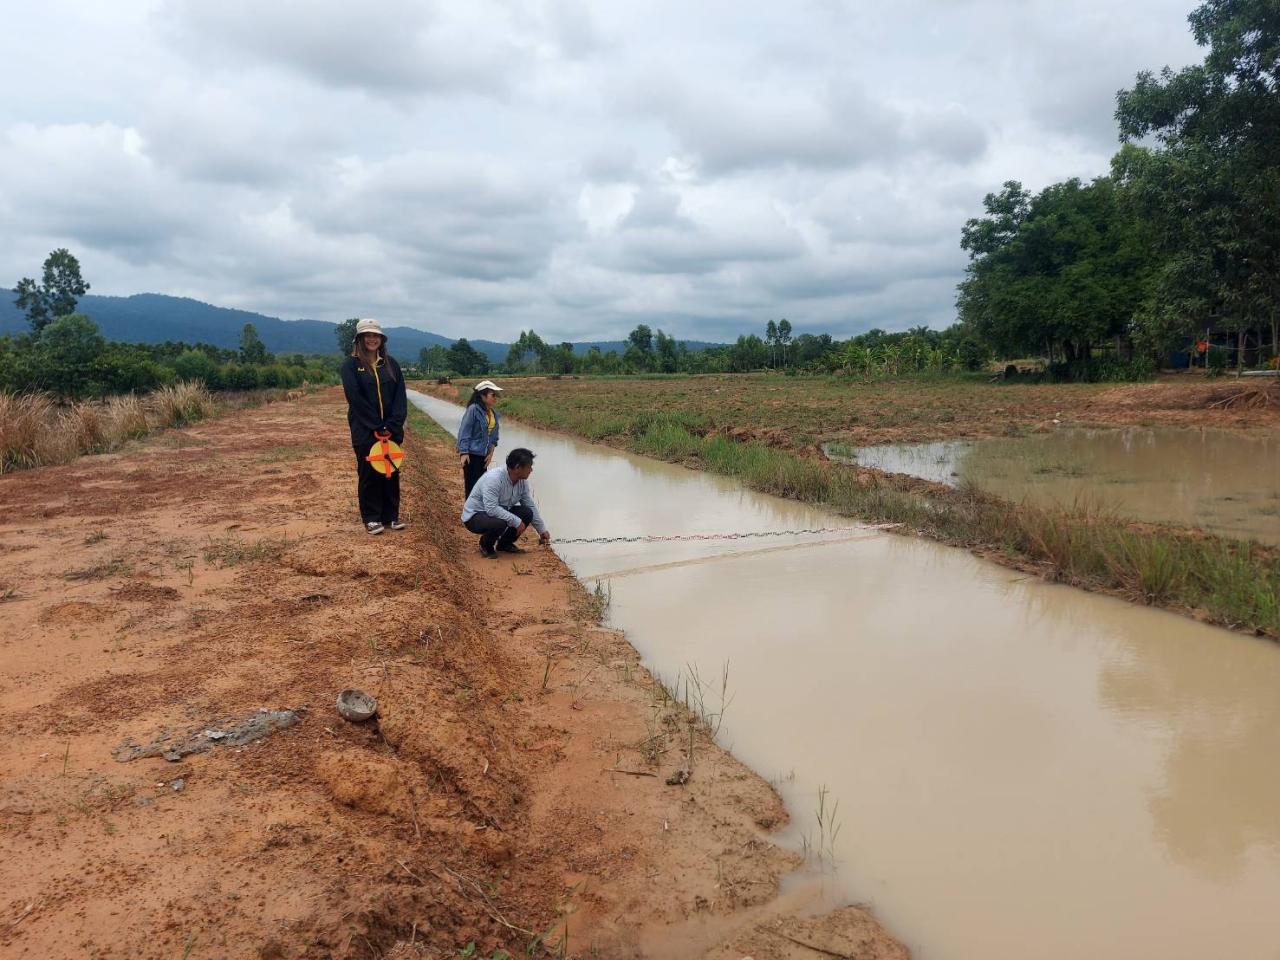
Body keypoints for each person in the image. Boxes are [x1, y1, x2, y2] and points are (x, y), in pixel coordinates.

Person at [339, 318, 408, 535]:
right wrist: (376, 426)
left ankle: (391, 516)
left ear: (381, 339)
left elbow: (400, 398)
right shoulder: (350, 366)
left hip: (392, 430)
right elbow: (356, 399)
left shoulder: (391, 364)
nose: (372, 339)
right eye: (367, 335)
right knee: (369, 473)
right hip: (365, 430)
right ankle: (371, 517)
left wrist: (392, 425)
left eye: (375, 335)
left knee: (390, 471)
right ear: (359, 339)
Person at [461, 447, 552, 558]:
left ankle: (504, 544)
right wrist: (517, 521)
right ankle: (485, 545)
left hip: (498, 511)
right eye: (529, 467)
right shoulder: (494, 479)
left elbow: (530, 505)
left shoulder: (522, 482)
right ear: (518, 467)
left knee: (527, 512)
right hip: (475, 516)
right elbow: (491, 509)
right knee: (500, 522)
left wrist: (542, 530)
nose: (531, 470)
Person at [456, 379, 503, 497]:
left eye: (495, 395)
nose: (495, 398)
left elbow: (494, 437)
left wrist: (491, 452)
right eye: (492, 395)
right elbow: (464, 431)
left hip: (484, 457)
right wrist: (464, 452)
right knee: (472, 488)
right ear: (482, 395)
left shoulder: (493, 414)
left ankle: (477, 514)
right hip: (472, 455)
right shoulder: (473, 410)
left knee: (481, 488)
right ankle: (469, 514)